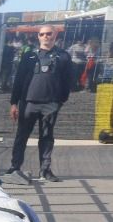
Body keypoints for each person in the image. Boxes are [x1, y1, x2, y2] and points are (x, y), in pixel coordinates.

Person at [4, 25, 73, 185]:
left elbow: (68, 80)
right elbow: (19, 80)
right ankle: (15, 167)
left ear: (55, 35)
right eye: (42, 34)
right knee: (21, 136)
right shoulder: (29, 56)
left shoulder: (63, 56)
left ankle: (45, 170)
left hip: (50, 103)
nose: (45, 37)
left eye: (49, 34)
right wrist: (14, 103)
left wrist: (60, 101)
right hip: (28, 103)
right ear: (38, 37)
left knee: (47, 137)